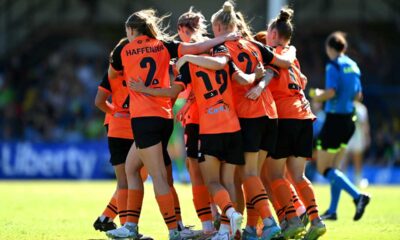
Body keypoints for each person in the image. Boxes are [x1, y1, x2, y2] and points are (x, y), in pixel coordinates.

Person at [105, 9, 239, 240]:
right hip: (164, 117)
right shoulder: (164, 45)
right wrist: (223, 38)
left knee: (156, 176)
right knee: (134, 168)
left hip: (143, 118)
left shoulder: (122, 50)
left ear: (130, 30)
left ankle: (172, 230)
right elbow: (196, 48)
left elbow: (112, 74)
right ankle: (135, 226)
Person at [176, 2, 298, 239]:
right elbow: (281, 63)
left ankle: (270, 222)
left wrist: (189, 59)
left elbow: (235, 77)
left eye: (213, 29)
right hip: (269, 114)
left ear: (220, 26)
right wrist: (288, 53)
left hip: (245, 115)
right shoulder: (254, 45)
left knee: (246, 175)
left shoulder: (221, 49)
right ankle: (260, 225)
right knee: (253, 176)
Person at [262, 7, 326, 239]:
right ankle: (316, 220)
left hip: (285, 118)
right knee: (298, 176)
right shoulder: (293, 58)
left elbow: (267, 78)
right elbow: (303, 81)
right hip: (305, 117)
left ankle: (291, 220)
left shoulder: (273, 55)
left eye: (268, 31)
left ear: (273, 33)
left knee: (274, 175)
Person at [310, 31, 370, 221]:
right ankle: (333, 210)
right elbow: (358, 96)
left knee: (323, 168)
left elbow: (331, 92)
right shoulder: (353, 66)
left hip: (334, 121)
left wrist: (316, 95)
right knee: (335, 168)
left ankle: (358, 196)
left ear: (329, 48)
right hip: (348, 122)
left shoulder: (333, 65)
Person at [175, 7, 216, 235]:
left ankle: (209, 226)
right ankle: (229, 221)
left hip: (197, 120)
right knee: (222, 175)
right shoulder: (214, 47)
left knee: (197, 173)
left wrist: (188, 103)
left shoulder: (188, 53)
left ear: (182, 29)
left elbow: (194, 88)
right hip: (222, 118)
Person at [343, 101, 370, 187]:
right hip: (347, 136)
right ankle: (342, 180)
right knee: (344, 160)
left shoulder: (362, 109)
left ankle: (358, 180)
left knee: (358, 160)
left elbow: (365, 124)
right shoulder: (345, 106)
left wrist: (366, 137)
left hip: (358, 136)